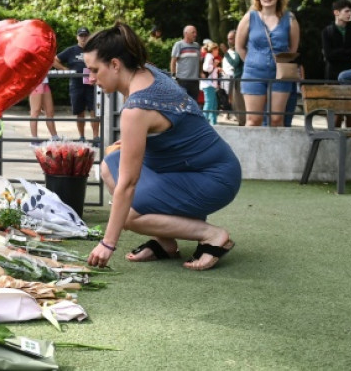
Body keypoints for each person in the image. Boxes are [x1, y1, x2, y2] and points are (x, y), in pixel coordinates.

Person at [83, 22, 241, 271]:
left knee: (130, 215)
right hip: (197, 167)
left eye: (94, 70)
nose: (90, 79)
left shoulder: (136, 109)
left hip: (214, 178)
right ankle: (166, 243)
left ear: (115, 65)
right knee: (109, 165)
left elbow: (128, 184)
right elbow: (173, 123)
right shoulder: (147, 72)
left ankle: (212, 235)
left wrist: (107, 243)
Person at [235, 0, 300, 127]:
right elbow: (239, 47)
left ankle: (276, 151)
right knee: (253, 120)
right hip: (254, 73)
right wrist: (253, 62)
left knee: (276, 120)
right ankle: (249, 151)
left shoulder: (290, 18)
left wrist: (279, 64)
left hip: (280, 74)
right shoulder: (249, 17)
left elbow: (293, 48)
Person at [322, 0, 351, 127]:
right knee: (335, 112)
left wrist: (340, 53)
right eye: (346, 11)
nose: (349, 14)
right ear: (336, 12)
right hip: (333, 75)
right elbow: (329, 55)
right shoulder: (327, 31)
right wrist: (348, 53)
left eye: (350, 11)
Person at [54, 27, 100, 143]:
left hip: (92, 84)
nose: (83, 38)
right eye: (81, 36)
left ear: (89, 37)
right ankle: (82, 137)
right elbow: (54, 60)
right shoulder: (71, 50)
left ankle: (95, 137)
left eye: (85, 36)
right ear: (77, 37)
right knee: (80, 112)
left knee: (94, 111)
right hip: (76, 84)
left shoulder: (94, 50)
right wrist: (65, 70)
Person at [170, 25, 201, 103]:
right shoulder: (179, 45)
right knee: (182, 103)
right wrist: (174, 76)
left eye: (195, 32)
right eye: (193, 32)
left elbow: (199, 61)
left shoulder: (196, 46)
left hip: (195, 80)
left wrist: (200, 73)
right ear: (186, 34)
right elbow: (173, 61)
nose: (195, 34)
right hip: (182, 80)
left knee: (194, 104)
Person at [222, 30, 245, 125]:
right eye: (228, 39)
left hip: (240, 78)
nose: (229, 41)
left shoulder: (240, 48)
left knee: (239, 103)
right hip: (239, 78)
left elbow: (235, 63)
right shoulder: (239, 48)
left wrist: (225, 53)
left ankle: (242, 122)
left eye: (231, 39)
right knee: (236, 103)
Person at [28, 76, 58, 144]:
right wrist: (64, 69)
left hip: (44, 81)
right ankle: (34, 139)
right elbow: (54, 64)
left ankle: (55, 137)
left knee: (49, 111)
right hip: (36, 80)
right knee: (35, 111)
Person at [200, 41, 221, 125]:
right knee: (209, 103)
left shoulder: (209, 56)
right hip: (209, 84)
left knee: (213, 103)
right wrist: (214, 66)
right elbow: (206, 68)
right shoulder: (210, 56)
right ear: (214, 50)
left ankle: (213, 122)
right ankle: (204, 121)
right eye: (217, 50)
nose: (218, 52)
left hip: (210, 84)